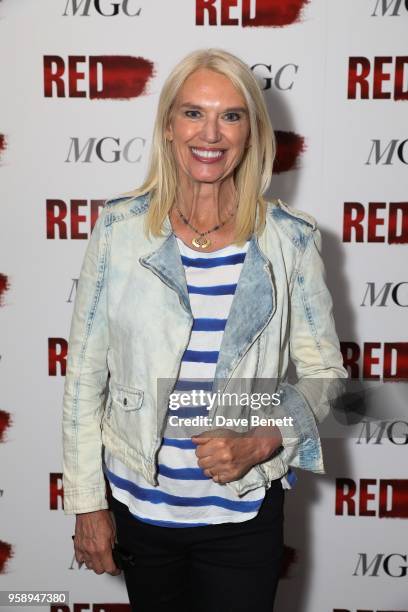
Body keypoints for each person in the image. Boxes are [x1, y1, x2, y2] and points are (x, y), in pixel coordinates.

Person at [62, 48, 347, 612]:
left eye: (231, 115)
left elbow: (329, 378)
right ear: (168, 127)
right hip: (139, 509)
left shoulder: (289, 240)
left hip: (241, 514)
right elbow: (83, 376)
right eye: (193, 113)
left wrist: (265, 436)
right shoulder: (118, 229)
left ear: (252, 132)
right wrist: (87, 502)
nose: (210, 133)